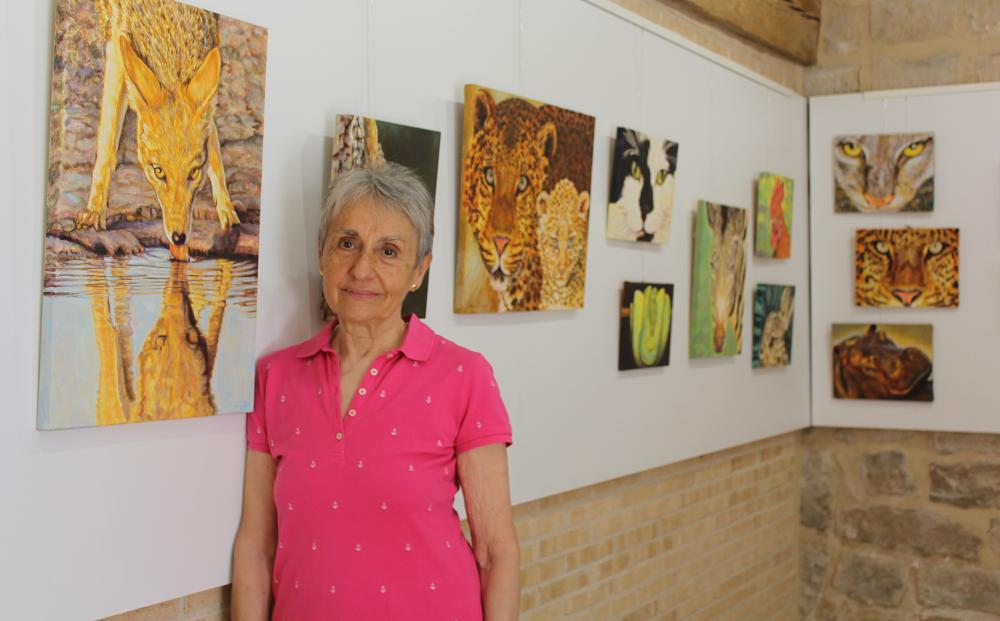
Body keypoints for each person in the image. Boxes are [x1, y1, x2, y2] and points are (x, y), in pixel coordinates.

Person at [232, 163, 520, 620]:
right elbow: (255, 544)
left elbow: (496, 552)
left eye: (388, 251)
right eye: (347, 244)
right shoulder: (276, 378)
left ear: (418, 271)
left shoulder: (463, 375)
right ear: (322, 254)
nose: (361, 269)